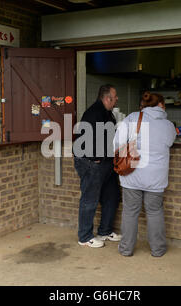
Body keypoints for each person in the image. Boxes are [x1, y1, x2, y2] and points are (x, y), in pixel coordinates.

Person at [114, 92, 176, 257]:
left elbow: (117, 143)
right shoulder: (168, 125)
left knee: (130, 211)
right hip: (156, 177)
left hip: (132, 173)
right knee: (155, 211)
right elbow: (169, 142)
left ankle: (126, 249)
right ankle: (158, 249)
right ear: (161, 105)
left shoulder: (132, 118)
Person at [73, 84, 122, 248]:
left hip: (106, 163)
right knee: (90, 199)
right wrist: (96, 158)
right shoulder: (94, 113)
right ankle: (85, 237)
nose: (117, 100)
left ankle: (105, 231)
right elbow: (87, 139)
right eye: (115, 97)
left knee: (112, 196)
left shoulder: (107, 113)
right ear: (107, 98)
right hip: (92, 163)